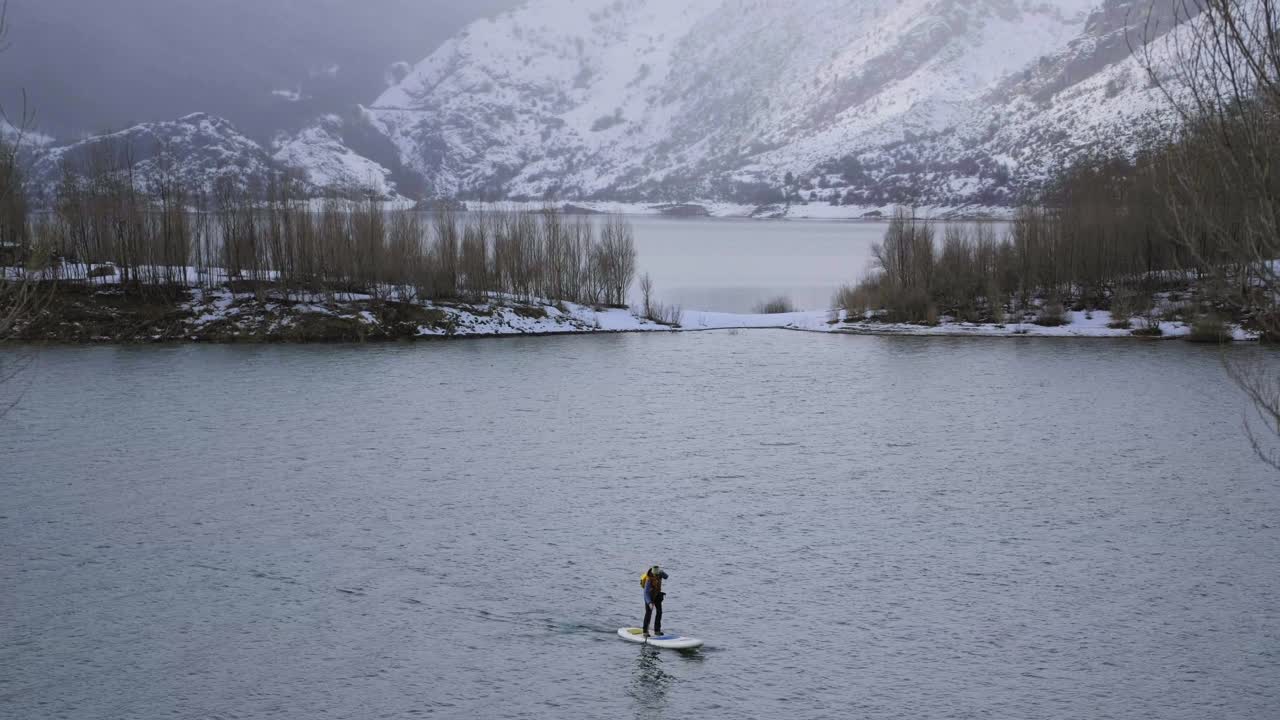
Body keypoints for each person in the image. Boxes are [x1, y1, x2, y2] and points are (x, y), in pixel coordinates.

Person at [640, 565, 669, 636]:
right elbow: (646, 593)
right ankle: (645, 631)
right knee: (648, 613)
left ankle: (657, 630)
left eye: (657, 574)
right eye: (655, 574)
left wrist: (662, 572)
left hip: (657, 595)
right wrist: (649, 603)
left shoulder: (660, 574)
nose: (656, 575)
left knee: (659, 612)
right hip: (649, 597)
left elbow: (666, 577)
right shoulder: (648, 579)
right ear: (652, 573)